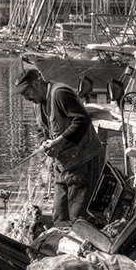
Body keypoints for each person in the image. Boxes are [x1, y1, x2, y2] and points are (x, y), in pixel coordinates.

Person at [14, 65, 105, 225]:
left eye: (27, 94)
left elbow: (82, 120)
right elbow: (40, 130)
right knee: (59, 216)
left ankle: (81, 243)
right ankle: (61, 242)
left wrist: (58, 142)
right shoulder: (37, 103)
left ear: (36, 84)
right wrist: (44, 142)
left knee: (78, 218)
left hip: (82, 163)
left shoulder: (61, 93)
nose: (27, 99)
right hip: (62, 167)